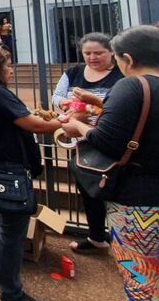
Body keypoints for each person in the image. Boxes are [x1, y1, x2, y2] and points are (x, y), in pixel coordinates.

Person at [61, 26, 159, 301]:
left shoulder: (131, 86)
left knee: (141, 288)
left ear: (127, 59)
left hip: (141, 203)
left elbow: (107, 140)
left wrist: (78, 126)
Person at [0, 46, 61, 301]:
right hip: (8, 167)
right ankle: (12, 292)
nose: (11, 70)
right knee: (12, 229)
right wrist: (65, 123)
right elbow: (32, 124)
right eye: (8, 65)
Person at [52, 32, 124, 253]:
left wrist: (92, 106)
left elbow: (123, 106)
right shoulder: (73, 72)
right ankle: (95, 237)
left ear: (111, 52)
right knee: (88, 189)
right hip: (82, 140)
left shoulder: (121, 75)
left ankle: (123, 241)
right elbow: (56, 96)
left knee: (114, 189)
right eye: (88, 53)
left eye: (98, 53)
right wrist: (67, 103)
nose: (92, 57)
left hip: (111, 139)